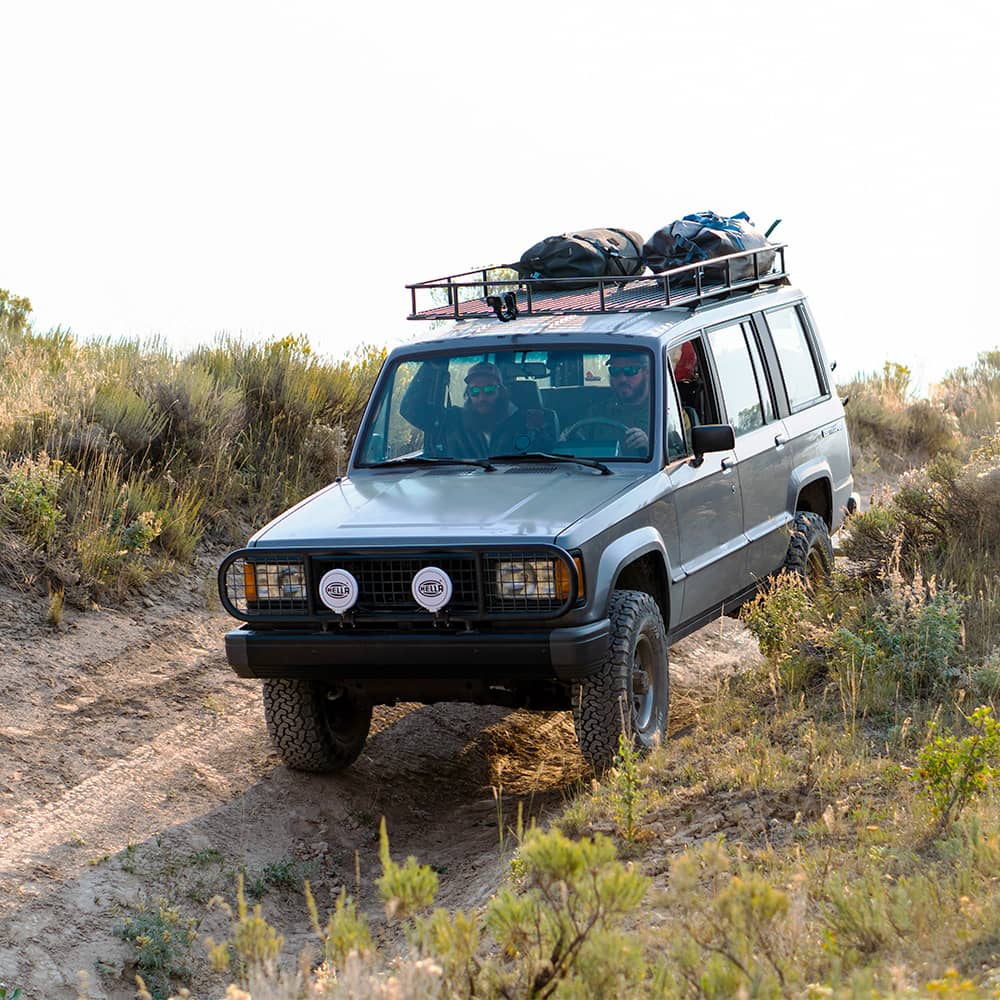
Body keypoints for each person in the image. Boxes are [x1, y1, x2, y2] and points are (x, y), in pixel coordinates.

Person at [400, 360, 556, 460]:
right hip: (460, 493)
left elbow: (555, 463)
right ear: (468, 394)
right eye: (475, 391)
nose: (482, 397)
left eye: (489, 390)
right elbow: (410, 409)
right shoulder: (450, 422)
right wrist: (431, 367)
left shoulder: (528, 423)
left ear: (501, 392)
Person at [579, 350, 652, 454]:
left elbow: (679, 453)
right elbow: (577, 444)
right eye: (615, 371)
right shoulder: (597, 412)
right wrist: (565, 440)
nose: (622, 379)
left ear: (647, 372)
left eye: (630, 370)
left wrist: (651, 447)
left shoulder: (663, 410)